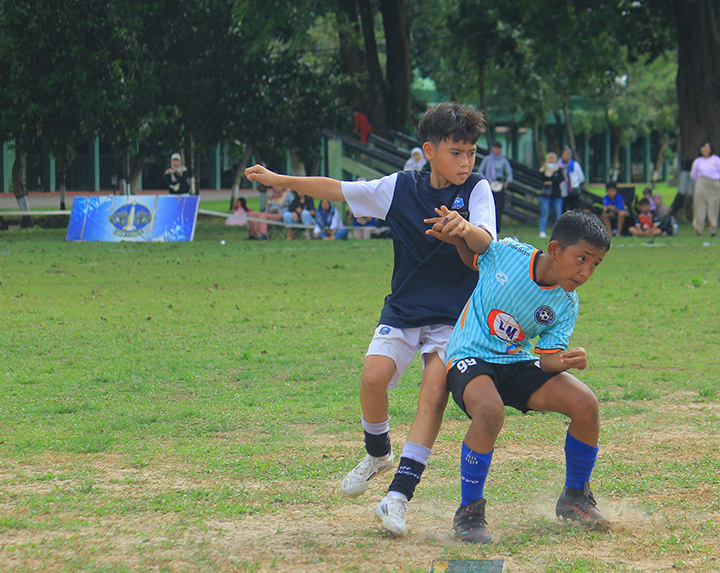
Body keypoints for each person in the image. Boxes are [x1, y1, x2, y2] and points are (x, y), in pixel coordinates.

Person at [243, 102, 496, 537]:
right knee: (373, 378)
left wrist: (462, 228)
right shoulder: (398, 187)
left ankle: (398, 496)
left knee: (432, 393)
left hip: (455, 316)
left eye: (472, 152)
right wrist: (279, 180)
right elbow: (338, 188)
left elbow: (486, 241)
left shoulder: (476, 190)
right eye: (457, 152)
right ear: (429, 151)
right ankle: (378, 454)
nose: (466, 161)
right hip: (404, 307)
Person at [428, 210, 611, 544]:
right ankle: (469, 513)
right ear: (554, 250)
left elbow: (546, 362)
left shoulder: (567, 302)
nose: (586, 272)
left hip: (517, 362)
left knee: (586, 403)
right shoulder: (511, 254)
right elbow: (483, 244)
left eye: (595, 264)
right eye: (581, 259)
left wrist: (566, 361)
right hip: (471, 354)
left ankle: (575, 499)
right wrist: (464, 228)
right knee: (489, 411)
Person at [476, 141, 513, 234]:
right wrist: (486, 181)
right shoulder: (487, 159)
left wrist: (507, 182)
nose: (497, 150)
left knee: (499, 207)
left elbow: (509, 173)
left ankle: (497, 229)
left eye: (499, 148)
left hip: (499, 186)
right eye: (496, 148)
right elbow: (480, 170)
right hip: (490, 185)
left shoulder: (503, 161)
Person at [689, 141, 720, 237]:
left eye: (707, 148)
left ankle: (713, 228)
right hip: (701, 184)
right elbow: (693, 174)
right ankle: (699, 229)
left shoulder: (716, 159)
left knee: (713, 206)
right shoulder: (698, 161)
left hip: (714, 184)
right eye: (703, 148)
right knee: (700, 207)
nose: (705, 150)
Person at [538, 152, 566, 238]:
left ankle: (559, 232)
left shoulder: (558, 170)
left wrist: (551, 182)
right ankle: (542, 231)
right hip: (545, 195)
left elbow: (560, 180)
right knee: (544, 213)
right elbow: (540, 178)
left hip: (556, 195)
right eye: (549, 158)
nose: (551, 159)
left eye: (553, 158)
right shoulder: (543, 169)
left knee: (558, 214)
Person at [560, 147, 586, 212]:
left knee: (574, 209)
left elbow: (581, 178)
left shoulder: (575, 165)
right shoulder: (559, 166)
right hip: (563, 191)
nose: (566, 156)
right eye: (564, 154)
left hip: (573, 190)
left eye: (567, 154)